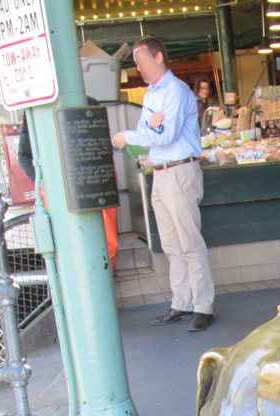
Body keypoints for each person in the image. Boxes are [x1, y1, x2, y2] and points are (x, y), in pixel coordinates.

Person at [112, 36, 214, 331]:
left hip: (180, 171)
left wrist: (134, 135)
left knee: (189, 242)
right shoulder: (151, 95)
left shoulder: (176, 91)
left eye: (142, 61)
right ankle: (182, 302)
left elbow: (163, 135)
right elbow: (150, 131)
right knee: (171, 244)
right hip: (160, 171)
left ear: (158, 58)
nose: (139, 68)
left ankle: (203, 306)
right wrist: (148, 129)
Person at [17, 106, 119, 272]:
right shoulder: (35, 112)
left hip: (92, 182)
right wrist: (44, 181)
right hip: (66, 185)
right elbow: (24, 155)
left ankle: (106, 277)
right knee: (67, 244)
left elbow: (24, 155)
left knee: (105, 241)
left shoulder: (37, 111)